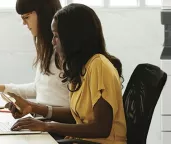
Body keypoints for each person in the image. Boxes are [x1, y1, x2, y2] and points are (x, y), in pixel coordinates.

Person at [9, 3, 127, 144]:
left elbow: (101, 128)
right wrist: (33, 108)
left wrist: (47, 126)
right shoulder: (81, 67)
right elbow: (75, 116)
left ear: (73, 38)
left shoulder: (99, 66)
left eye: (57, 36)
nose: (53, 41)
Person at [0, 0, 69, 109]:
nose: (23, 23)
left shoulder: (66, 51)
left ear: (43, 14)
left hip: (55, 122)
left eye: (26, 17)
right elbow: (39, 88)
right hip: (43, 118)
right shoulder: (46, 48)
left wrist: (36, 111)